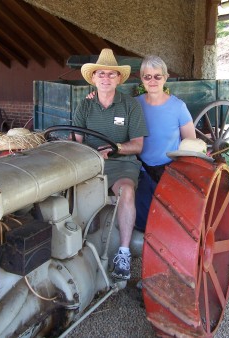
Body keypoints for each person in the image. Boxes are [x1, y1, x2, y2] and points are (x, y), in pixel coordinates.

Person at [72, 48, 148, 280]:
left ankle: (123, 252)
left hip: (121, 163)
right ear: (93, 78)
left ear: (118, 78)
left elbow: (137, 145)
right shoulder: (85, 105)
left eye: (111, 74)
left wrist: (116, 148)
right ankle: (74, 243)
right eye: (101, 74)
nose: (105, 78)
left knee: (126, 192)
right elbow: (77, 141)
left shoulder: (130, 106)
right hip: (90, 162)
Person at [134, 55, 196, 231]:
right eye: (147, 76)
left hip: (168, 171)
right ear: (142, 79)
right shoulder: (134, 105)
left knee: (168, 220)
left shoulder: (178, 107)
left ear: (165, 78)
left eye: (157, 76)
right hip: (141, 170)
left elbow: (190, 142)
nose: (152, 81)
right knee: (142, 222)